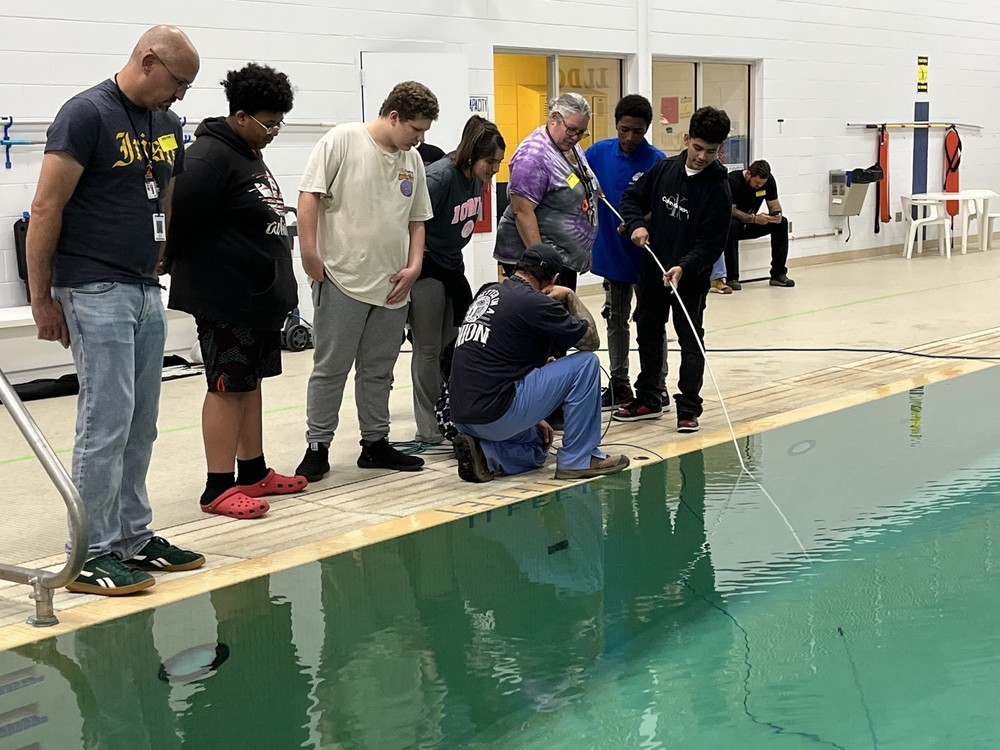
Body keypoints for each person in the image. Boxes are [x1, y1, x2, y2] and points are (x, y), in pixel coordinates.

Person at [25, 25, 205, 595]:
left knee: (141, 421)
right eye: (178, 81)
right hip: (92, 286)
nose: (180, 95)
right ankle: (89, 552)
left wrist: (160, 254)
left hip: (144, 286)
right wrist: (41, 298)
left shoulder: (167, 124)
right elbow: (45, 207)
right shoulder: (85, 115)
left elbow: (165, 192)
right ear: (149, 61)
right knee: (105, 423)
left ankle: (131, 535)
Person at [165, 62, 305, 520]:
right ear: (240, 115)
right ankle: (218, 486)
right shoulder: (209, 157)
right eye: (269, 123)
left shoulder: (247, 151)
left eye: (279, 123)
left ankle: (253, 471)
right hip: (225, 296)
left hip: (256, 297)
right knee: (226, 388)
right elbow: (177, 220)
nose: (274, 131)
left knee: (249, 384)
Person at [295, 81, 438, 481]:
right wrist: (309, 253)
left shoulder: (413, 160)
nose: (419, 138)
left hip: (392, 285)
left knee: (379, 370)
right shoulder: (342, 140)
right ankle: (317, 445)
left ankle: (375, 442)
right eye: (415, 129)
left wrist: (414, 266)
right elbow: (308, 195)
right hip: (342, 278)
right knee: (331, 368)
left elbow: (417, 220)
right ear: (393, 117)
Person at [449, 243, 630, 482]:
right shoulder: (534, 302)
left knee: (537, 447)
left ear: (519, 267)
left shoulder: (488, 292)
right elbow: (591, 341)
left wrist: (534, 414)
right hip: (495, 415)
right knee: (586, 364)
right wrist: (571, 296)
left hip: (462, 416)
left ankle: (485, 454)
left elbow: (498, 361)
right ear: (553, 279)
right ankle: (579, 460)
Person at [612, 106, 733, 433]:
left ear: (720, 149)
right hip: (652, 272)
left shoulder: (719, 188)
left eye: (711, 151)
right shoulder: (664, 169)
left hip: (689, 280)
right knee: (648, 333)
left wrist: (683, 266)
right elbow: (631, 199)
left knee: (690, 340)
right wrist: (636, 224)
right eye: (697, 148)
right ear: (686, 139)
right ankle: (650, 397)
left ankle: (689, 407)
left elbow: (712, 244)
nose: (702, 157)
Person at [409, 115, 505, 445]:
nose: (494, 169)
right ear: (472, 154)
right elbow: (407, 221)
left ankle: (451, 413)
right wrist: (414, 258)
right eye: (490, 162)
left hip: (452, 266)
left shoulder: (476, 178)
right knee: (427, 347)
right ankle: (428, 425)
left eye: (498, 163)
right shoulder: (438, 178)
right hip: (426, 268)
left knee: (454, 345)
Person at [584, 94, 668, 412]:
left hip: (646, 255)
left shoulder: (658, 161)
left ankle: (656, 383)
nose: (630, 137)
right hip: (612, 253)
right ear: (616, 124)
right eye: (624, 130)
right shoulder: (597, 153)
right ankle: (619, 384)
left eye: (638, 131)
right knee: (616, 319)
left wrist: (639, 221)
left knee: (651, 322)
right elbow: (576, 182)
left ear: (647, 129)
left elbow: (663, 207)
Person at [493, 92, 600, 290]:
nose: (576, 137)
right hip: (538, 263)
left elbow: (579, 179)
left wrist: (582, 250)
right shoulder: (533, 156)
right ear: (554, 118)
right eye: (572, 130)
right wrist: (543, 266)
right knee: (552, 309)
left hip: (563, 257)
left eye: (581, 132)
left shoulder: (568, 145)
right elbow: (522, 212)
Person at [723, 159, 794, 289]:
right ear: (748, 174)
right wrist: (754, 219)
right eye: (756, 182)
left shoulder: (768, 181)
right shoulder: (733, 181)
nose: (759, 186)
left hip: (752, 223)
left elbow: (774, 205)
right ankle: (732, 277)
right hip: (735, 224)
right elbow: (731, 211)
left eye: (762, 183)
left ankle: (778, 273)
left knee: (782, 223)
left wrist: (776, 215)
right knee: (732, 225)